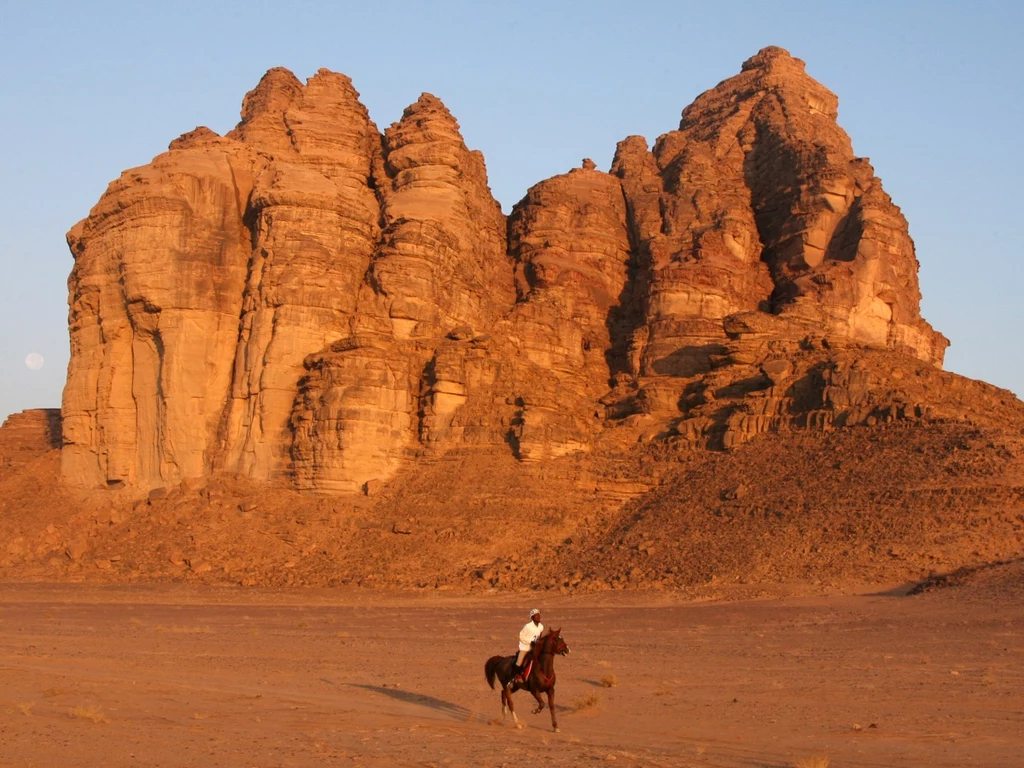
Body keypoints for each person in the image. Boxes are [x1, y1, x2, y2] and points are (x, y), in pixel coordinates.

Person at [508, 608, 545, 687]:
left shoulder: (541, 626)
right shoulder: (528, 626)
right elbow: (521, 636)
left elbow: (540, 636)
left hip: (535, 648)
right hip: (525, 647)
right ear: (532, 617)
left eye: (539, 615)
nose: (538, 616)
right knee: (519, 662)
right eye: (536, 615)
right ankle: (512, 679)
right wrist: (530, 642)